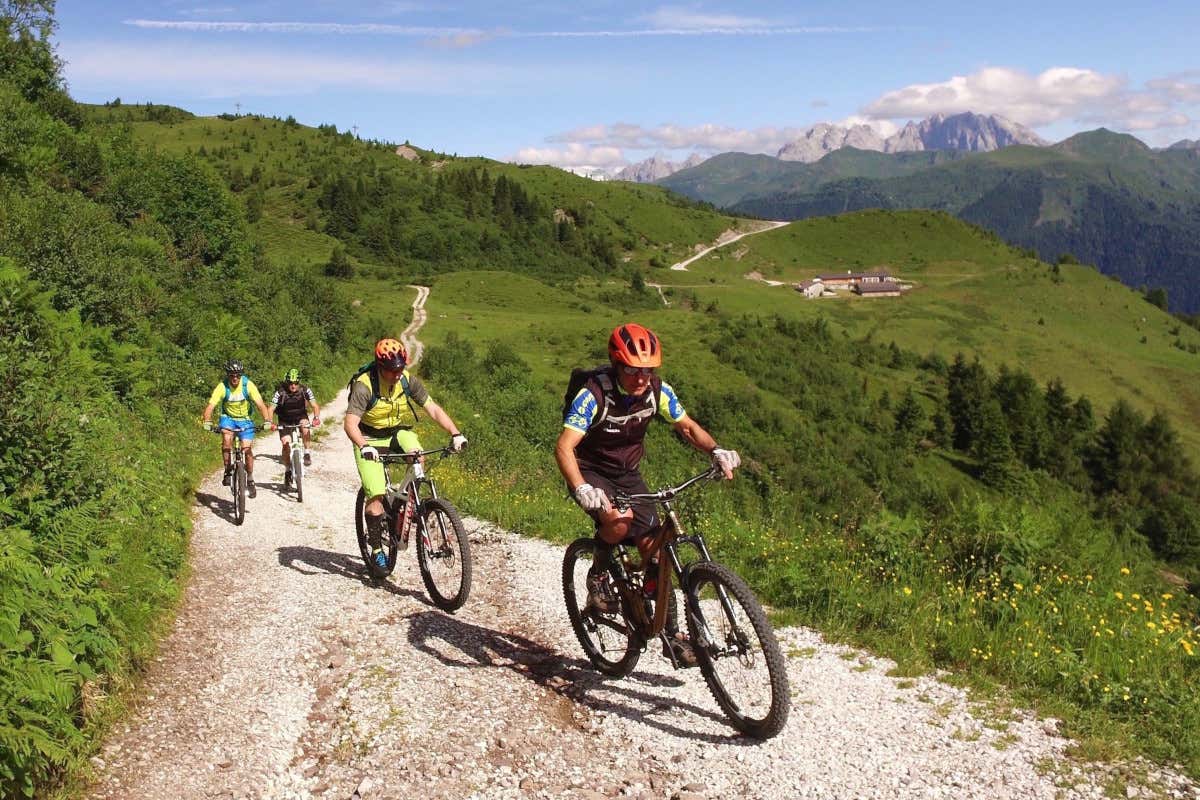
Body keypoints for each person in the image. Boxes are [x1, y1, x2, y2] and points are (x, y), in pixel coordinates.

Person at [555, 323, 741, 667]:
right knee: (618, 520)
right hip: (590, 469)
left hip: (628, 474)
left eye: (648, 370)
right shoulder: (594, 394)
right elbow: (565, 446)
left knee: (656, 551)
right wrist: (582, 488)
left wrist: (716, 450)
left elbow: (686, 426)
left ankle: (671, 636)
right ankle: (597, 573)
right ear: (616, 363)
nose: (641, 377)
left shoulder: (658, 391)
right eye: (632, 369)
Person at [343, 338, 468, 578]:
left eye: (400, 368)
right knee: (376, 494)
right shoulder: (364, 386)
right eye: (392, 371)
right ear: (380, 367)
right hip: (368, 437)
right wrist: (363, 446)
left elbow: (432, 408)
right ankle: (377, 547)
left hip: (397, 431)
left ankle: (410, 504)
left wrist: (455, 433)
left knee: (417, 455)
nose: (397, 374)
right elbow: (350, 424)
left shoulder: (407, 379)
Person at [201, 359, 275, 498]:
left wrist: (267, 420)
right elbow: (210, 406)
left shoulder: (248, 385)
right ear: (228, 375)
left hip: (245, 420)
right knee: (226, 440)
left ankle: (251, 479)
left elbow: (260, 404)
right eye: (232, 375)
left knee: (247, 449)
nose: (235, 378)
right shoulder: (222, 387)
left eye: (238, 375)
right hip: (228, 418)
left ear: (241, 375)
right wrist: (207, 421)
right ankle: (228, 470)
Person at [269, 368, 322, 487]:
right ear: (287, 382)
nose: (293, 386)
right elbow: (271, 408)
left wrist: (316, 418)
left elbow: (315, 405)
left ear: (299, 382)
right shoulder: (280, 392)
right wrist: (269, 422)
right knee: (285, 444)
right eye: (290, 383)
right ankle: (287, 470)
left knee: (305, 428)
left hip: (300, 416)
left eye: (295, 383)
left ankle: (307, 452)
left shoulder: (305, 390)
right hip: (284, 419)